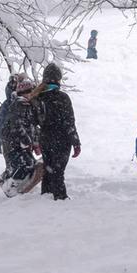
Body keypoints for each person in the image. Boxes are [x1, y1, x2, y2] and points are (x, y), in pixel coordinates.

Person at [34, 62, 79, 199]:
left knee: (49, 168)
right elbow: (69, 122)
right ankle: (60, 197)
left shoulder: (38, 98)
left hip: (45, 138)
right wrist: (76, 142)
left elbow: (34, 122)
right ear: (59, 80)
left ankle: (46, 195)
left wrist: (36, 140)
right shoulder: (63, 98)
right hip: (62, 139)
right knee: (58, 171)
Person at [0, 74, 40, 189]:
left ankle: (7, 180)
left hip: (17, 142)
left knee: (28, 163)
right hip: (13, 143)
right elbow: (17, 124)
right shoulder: (20, 104)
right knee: (23, 165)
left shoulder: (26, 105)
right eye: (30, 92)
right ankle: (11, 186)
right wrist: (26, 139)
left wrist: (34, 140)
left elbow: (30, 125)